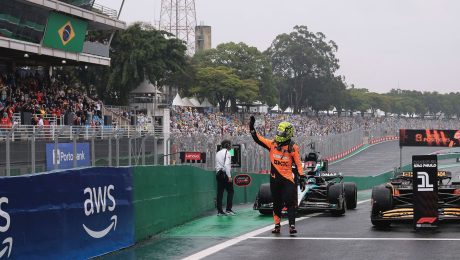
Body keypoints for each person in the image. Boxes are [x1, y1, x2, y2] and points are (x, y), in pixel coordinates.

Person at [249, 116, 305, 234]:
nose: (279, 134)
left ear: (288, 134)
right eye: (278, 131)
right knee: (276, 203)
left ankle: (292, 226)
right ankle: (277, 225)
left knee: (290, 202)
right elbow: (258, 139)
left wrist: (302, 177)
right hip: (274, 179)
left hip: (288, 179)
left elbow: (299, 163)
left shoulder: (293, 147)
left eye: (282, 132)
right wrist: (251, 127)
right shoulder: (272, 144)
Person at [215, 139, 235, 216]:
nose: (231, 146)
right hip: (225, 174)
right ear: (227, 145)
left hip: (218, 174)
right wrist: (229, 176)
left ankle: (220, 211)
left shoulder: (218, 153)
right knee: (230, 191)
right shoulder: (228, 153)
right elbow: (227, 165)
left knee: (220, 193)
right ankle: (228, 210)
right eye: (230, 144)